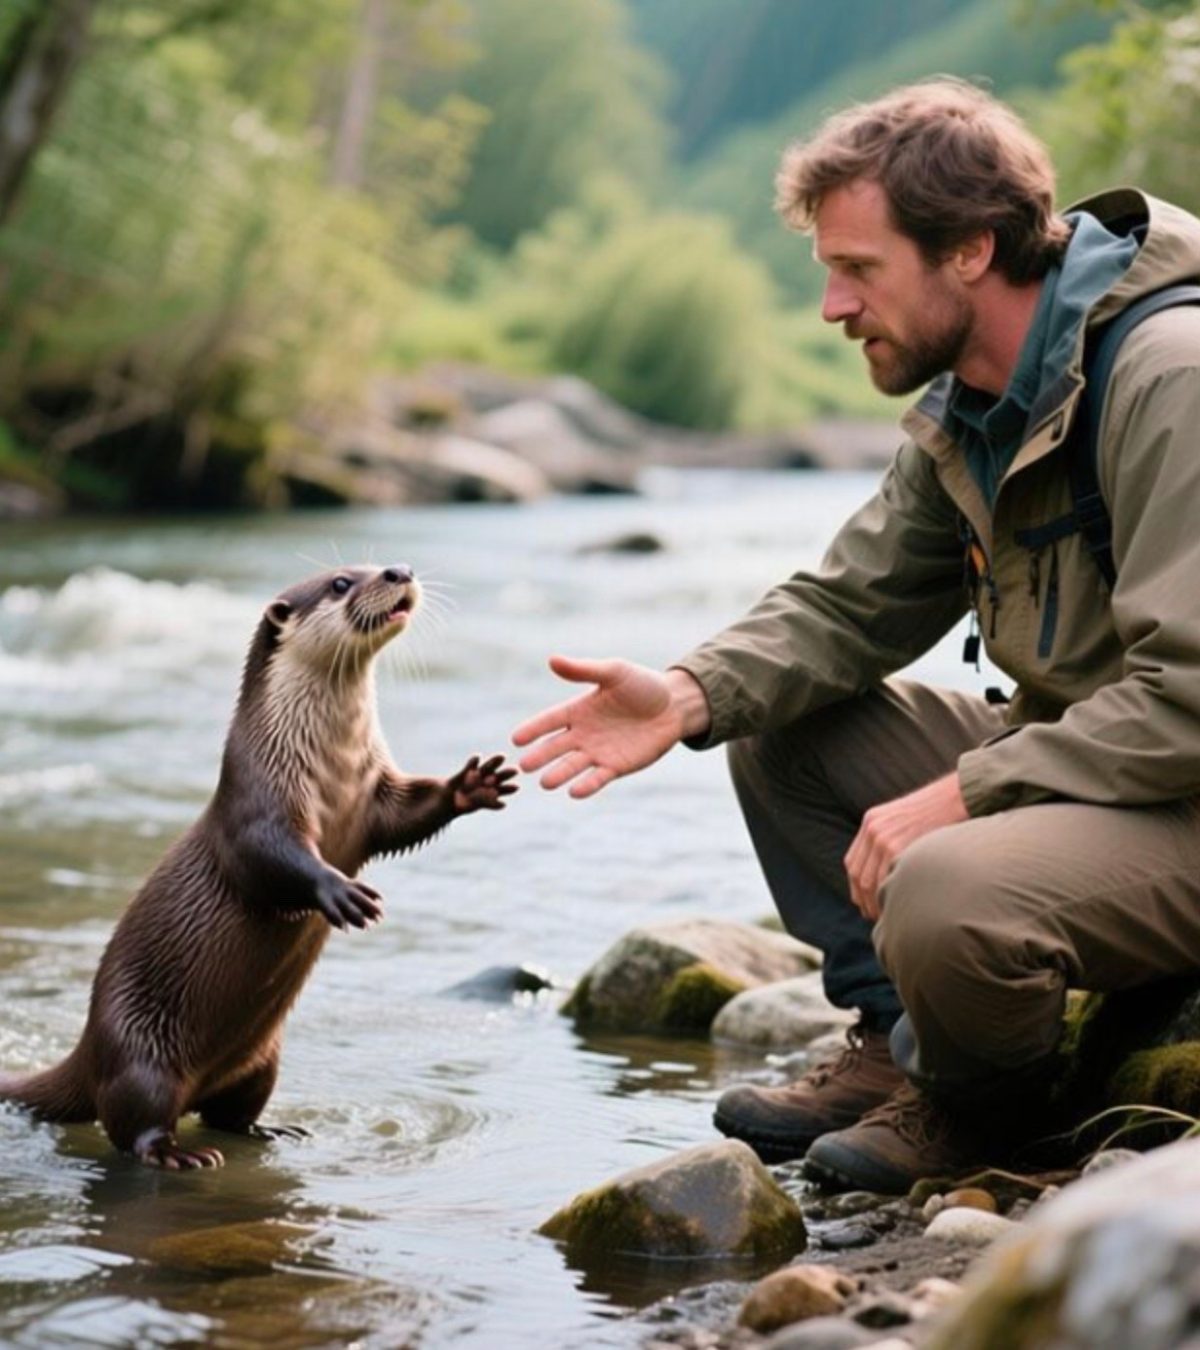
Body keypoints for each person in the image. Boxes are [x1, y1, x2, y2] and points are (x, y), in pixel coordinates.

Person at [511, 77, 1200, 1194]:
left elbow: (1188, 699)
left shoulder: (1173, 378)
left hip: (1185, 790)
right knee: (779, 726)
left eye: (859, 269)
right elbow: (846, 607)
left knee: (945, 886)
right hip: (1096, 771)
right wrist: (686, 693)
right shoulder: (977, 399)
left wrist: (964, 795)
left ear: (970, 250)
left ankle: (978, 1112)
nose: (833, 305)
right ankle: (897, 1045)